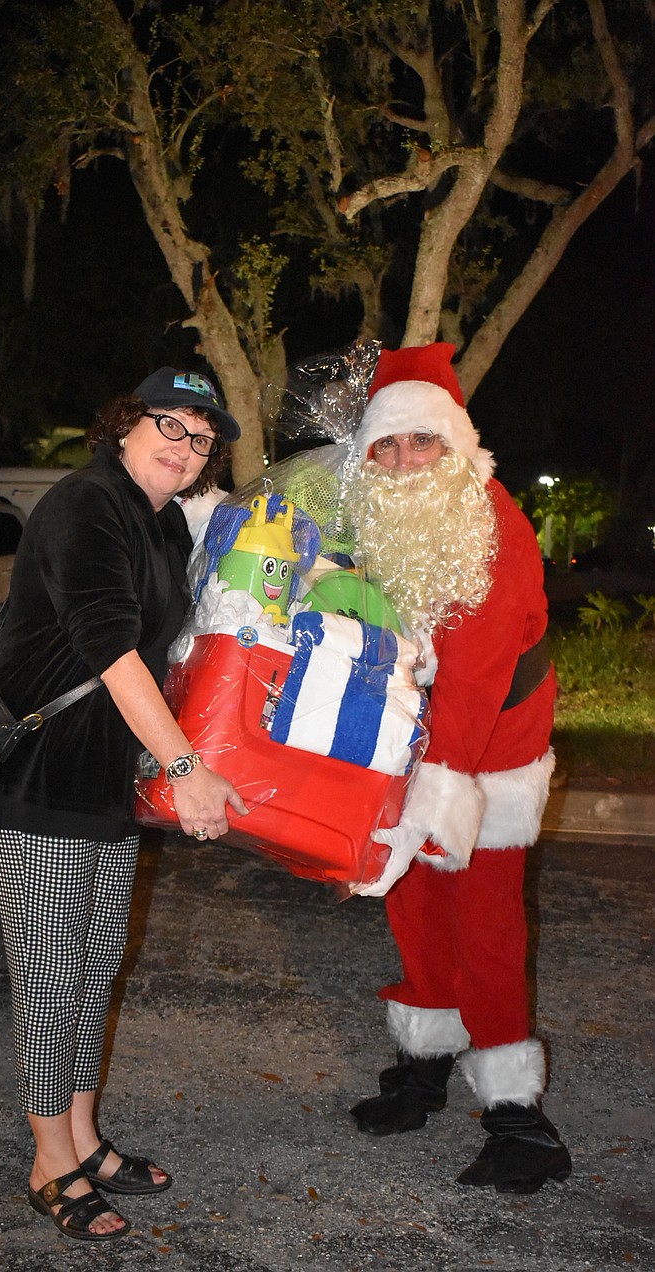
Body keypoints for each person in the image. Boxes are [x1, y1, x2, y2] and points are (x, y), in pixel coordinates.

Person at [0, 367, 248, 1243]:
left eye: (201, 438)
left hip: (104, 780)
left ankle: (83, 1138)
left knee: (91, 971)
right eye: (169, 423)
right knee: (51, 978)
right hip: (46, 777)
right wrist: (188, 766)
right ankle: (50, 1160)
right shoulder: (87, 504)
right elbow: (111, 650)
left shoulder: (158, 520)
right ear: (125, 423)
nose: (185, 445)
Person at [346, 343, 571, 1194]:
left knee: (484, 926)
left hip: (486, 760)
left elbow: (474, 681)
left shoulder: (493, 527)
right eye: (387, 446)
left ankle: (521, 1119)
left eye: (421, 443)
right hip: (414, 746)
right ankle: (425, 1067)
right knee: (413, 906)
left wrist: (435, 793)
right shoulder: (379, 521)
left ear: (455, 446)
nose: (404, 462)